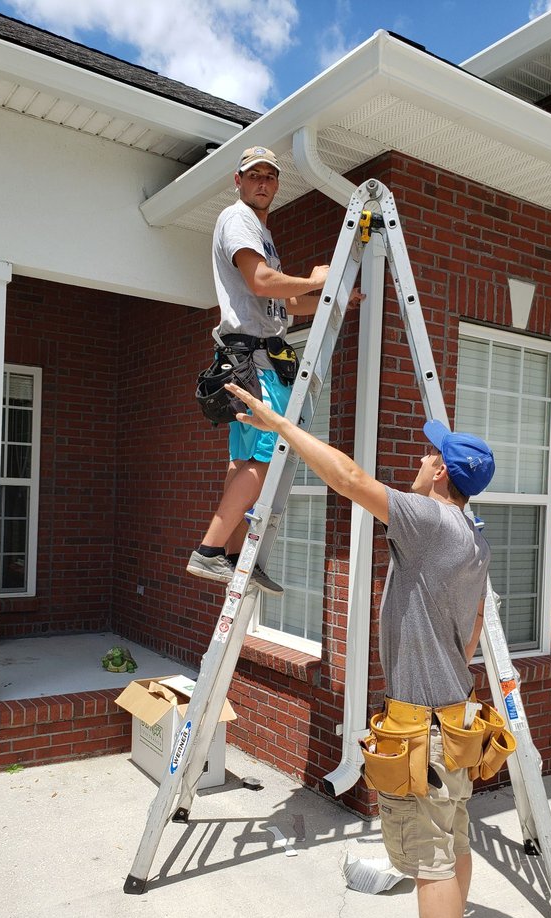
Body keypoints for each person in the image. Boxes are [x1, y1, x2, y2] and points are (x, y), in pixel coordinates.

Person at [223, 378, 495, 918]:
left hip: (424, 725)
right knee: (452, 843)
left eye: (432, 455)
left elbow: (347, 479)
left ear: (444, 474)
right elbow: (474, 629)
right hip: (454, 718)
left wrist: (280, 426)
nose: (422, 457)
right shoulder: (472, 534)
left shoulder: (429, 523)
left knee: (429, 862)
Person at [187, 145, 363, 594]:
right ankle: (209, 552)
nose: (262, 182)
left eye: (270, 176)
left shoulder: (262, 233)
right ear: (239, 180)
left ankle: (229, 554)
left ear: (277, 184)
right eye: (254, 175)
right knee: (268, 457)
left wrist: (332, 298)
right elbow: (260, 281)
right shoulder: (238, 220)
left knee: (246, 459)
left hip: (256, 357)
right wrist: (319, 280)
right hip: (255, 360)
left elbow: (284, 303)